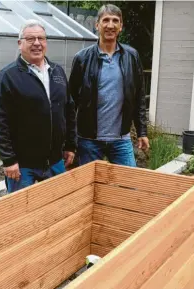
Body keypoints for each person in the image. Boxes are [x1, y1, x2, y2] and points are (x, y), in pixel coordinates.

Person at [0, 19, 77, 193]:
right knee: (21, 213)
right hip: (22, 166)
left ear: (46, 43)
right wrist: (8, 160)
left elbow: (69, 110)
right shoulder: (8, 77)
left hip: (55, 162)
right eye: (30, 39)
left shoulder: (57, 72)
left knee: (57, 206)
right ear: (20, 43)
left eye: (41, 38)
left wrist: (70, 146)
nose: (37, 43)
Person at [69, 4, 149, 167]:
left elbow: (139, 96)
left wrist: (142, 132)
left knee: (129, 185)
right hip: (88, 140)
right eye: (106, 20)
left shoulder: (131, 57)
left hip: (121, 139)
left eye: (115, 21)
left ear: (121, 26)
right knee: (90, 189)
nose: (110, 25)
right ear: (97, 25)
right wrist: (69, 141)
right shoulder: (82, 59)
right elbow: (71, 101)